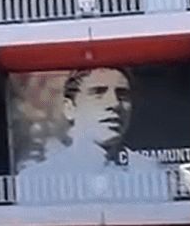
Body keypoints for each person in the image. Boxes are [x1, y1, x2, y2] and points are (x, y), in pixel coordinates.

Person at [20, 67, 164, 179]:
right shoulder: (38, 179)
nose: (114, 103)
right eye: (98, 93)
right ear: (70, 108)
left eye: (122, 94)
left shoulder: (153, 172)